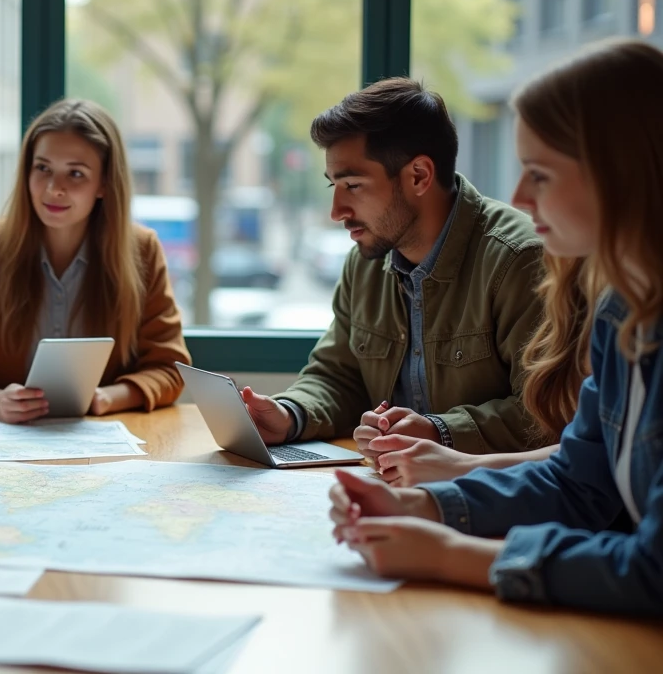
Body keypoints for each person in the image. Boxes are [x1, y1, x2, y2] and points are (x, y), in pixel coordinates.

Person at [329, 39, 663, 615]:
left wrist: (449, 554)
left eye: (540, 174)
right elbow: (578, 480)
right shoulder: (621, 311)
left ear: (619, 173)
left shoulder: (530, 263)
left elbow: (652, 570)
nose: (518, 196)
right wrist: (422, 507)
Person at [240, 78, 545, 456]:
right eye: (333, 186)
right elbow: (339, 376)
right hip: (392, 479)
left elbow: (547, 412)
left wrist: (440, 431)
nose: (336, 211)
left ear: (419, 175)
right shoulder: (366, 262)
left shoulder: (519, 260)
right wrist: (290, 414)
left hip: (483, 488)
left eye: (353, 185)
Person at [0, 99, 191, 422]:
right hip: (6, 439)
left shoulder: (142, 251)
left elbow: (169, 368)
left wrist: (107, 398)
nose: (54, 188)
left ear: (104, 183)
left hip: (105, 435)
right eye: (43, 168)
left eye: (75, 173)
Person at [368, 256, 598, 486]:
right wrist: (375, 430)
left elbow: (566, 441)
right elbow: (580, 459)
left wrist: (446, 442)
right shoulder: (366, 262)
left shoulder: (520, 258)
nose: (338, 218)